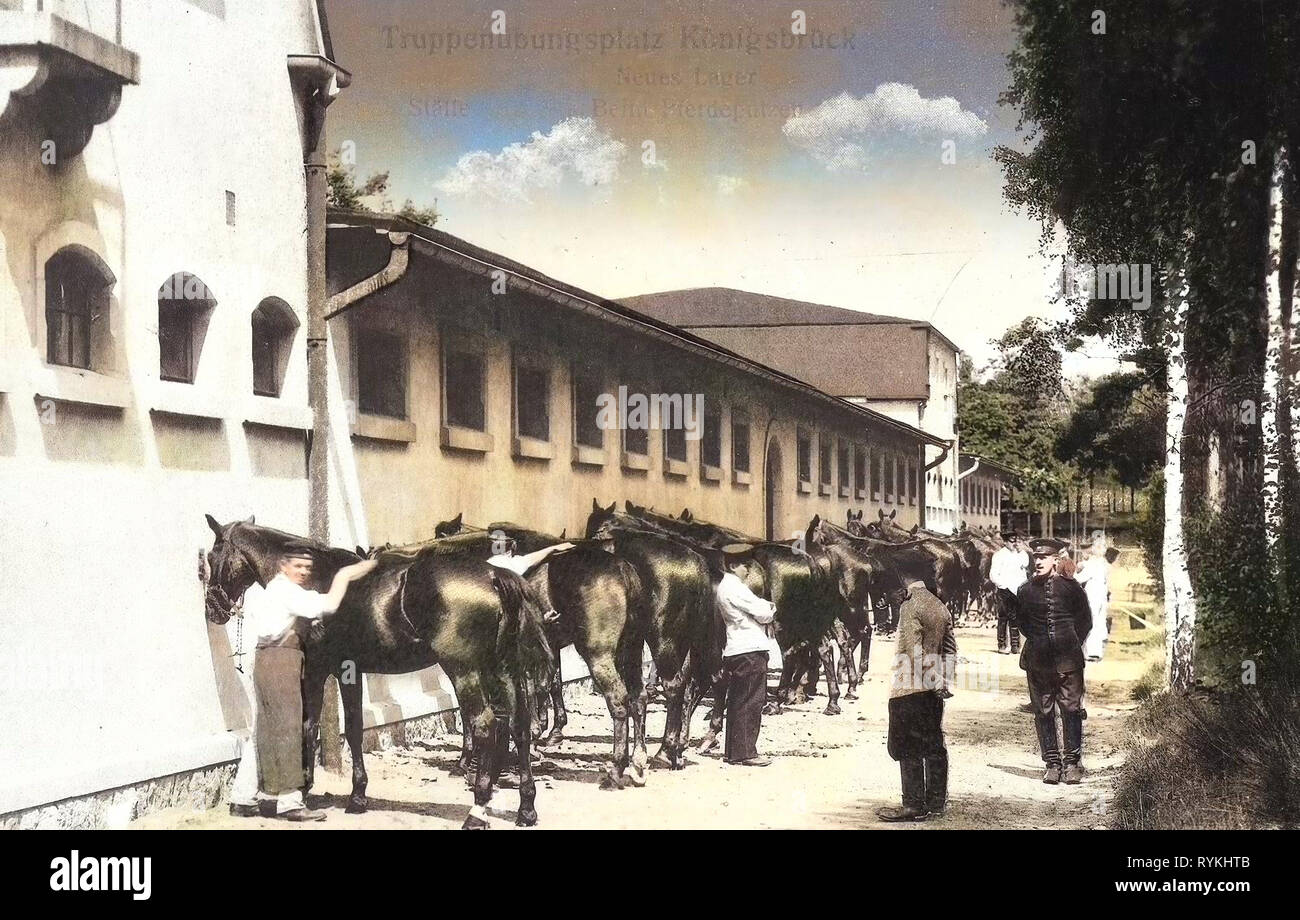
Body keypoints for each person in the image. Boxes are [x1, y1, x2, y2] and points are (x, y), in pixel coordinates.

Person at [228, 542, 377, 821]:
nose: (304, 572)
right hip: (281, 660)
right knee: (290, 727)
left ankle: (242, 798)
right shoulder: (287, 591)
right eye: (298, 566)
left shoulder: (272, 589)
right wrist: (352, 572)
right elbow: (329, 604)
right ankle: (289, 802)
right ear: (284, 566)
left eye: (308, 567)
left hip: (264, 659)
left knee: (264, 728)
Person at [877, 579, 956, 822]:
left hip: (909, 688)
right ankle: (936, 802)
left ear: (903, 579)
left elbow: (914, 652)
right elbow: (951, 648)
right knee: (933, 744)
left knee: (905, 745)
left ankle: (913, 804)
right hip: (933, 692)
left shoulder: (910, 605)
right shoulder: (939, 604)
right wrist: (943, 680)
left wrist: (934, 680)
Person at [1015, 537, 1092, 785]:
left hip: (1069, 661)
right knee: (1043, 712)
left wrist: (1068, 643)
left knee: (1071, 710)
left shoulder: (1073, 589)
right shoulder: (1025, 591)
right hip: (1038, 662)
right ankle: (1052, 764)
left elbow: (1085, 622)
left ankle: (1071, 763)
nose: (1037, 562)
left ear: (1056, 559)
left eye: (1043, 557)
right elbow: (1024, 624)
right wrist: (1041, 643)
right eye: (1035, 557)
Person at [712, 553, 777, 767]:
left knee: (738, 701)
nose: (747, 570)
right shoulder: (735, 587)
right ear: (732, 565)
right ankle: (747, 753)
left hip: (736, 648)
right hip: (750, 649)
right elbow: (763, 613)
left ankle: (734, 752)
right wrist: (771, 608)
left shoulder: (725, 587)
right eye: (743, 565)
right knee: (752, 701)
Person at [989, 532, 1029, 654]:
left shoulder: (1020, 555)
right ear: (1005, 542)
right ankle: (1002, 645)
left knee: (1016, 618)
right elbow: (993, 574)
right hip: (1005, 590)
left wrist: (1021, 551)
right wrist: (1003, 586)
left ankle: (1015, 645)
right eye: (1012, 541)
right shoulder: (999, 555)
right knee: (1003, 618)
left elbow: (1025, 563)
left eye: (1016, 541)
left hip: (1017, 590)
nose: (1014, 544)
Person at [1076, 538, 1113, 661]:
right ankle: (1090, 652)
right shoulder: (1091, 563)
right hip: (1092, 595)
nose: (1102, 550)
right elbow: (1080, 578)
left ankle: (1096, 652)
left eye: (1103, 547)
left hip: (1101, 596)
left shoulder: (1103, 563)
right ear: (1094, 549)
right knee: (1091, 621)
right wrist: (1074, 572)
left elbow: (1105, 580)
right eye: (1100, 547)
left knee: (1099, 622)